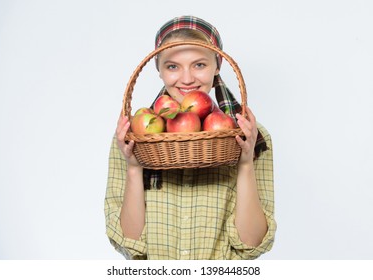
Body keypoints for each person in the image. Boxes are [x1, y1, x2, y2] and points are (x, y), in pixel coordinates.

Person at [104, 15, 276, 260]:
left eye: (199, 65)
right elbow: (131, 246)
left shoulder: (248, 134)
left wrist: (246, 162)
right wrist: (134, 166)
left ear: (217, 66)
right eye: (172, 66)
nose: (186, 79)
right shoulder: (134, 137)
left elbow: (251, 244)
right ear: (160, 71)